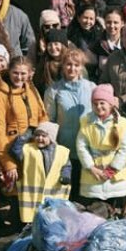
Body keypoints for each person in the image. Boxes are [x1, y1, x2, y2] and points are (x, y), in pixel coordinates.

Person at [0, 56, 48, 200]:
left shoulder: (31, 90)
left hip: (33, 150)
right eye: (15, 73)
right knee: (15, 196)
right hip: (12, 151)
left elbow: (43, 116)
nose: (19, 77)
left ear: (29, 74)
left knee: (33, 195)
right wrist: (8, 163)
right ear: (9, 71)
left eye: (23, 74)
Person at [43, 49, 95, 201]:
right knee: (68, 194)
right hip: (64, 149)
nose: (72, 68)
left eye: (76, 65)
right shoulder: (53, 91)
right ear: (63, 66)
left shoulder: (91, 87)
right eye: (68, 65)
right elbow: (49, 120)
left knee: (85, 195)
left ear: (81, 67)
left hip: (87, 149)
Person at [76, 83, 126, 204]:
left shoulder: (121, 124)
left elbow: (124, 149)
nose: (98, 106)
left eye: (102, 103)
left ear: (110, 104)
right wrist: (90, 167)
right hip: (93, 175)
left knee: (114, 208)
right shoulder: (86, 122)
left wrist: (112, 169)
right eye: (95, 104)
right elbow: (81, 146)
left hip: (115, 178)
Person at [12, 121, 72, 223]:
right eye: (37, 135)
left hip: (54, 194)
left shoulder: (62, 151)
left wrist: (65, 175)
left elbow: (66, 165)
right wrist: (25, 135)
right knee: (33, 221)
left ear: (52, 138)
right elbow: (15, 150)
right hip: (32, 198)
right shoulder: (28, 149)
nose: (40, 138)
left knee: (51, 220)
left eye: (44, 136)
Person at [68, 7, 102, 79]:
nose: (88, 21)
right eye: (85, 18)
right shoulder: (70, 35)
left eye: (91, 19)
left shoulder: (99, 34)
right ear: (78, 18)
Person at [34, 28, 69, 95]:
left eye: (56, 44)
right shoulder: (43, 63)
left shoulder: (72, 62)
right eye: (50, 45)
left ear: (63, 45)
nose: (53, 48)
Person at [93, 9, 125, 79]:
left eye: (115, 22)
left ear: (122, 23)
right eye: (108, 22)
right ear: (104, 22)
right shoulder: (98, 43)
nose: (112, 26)